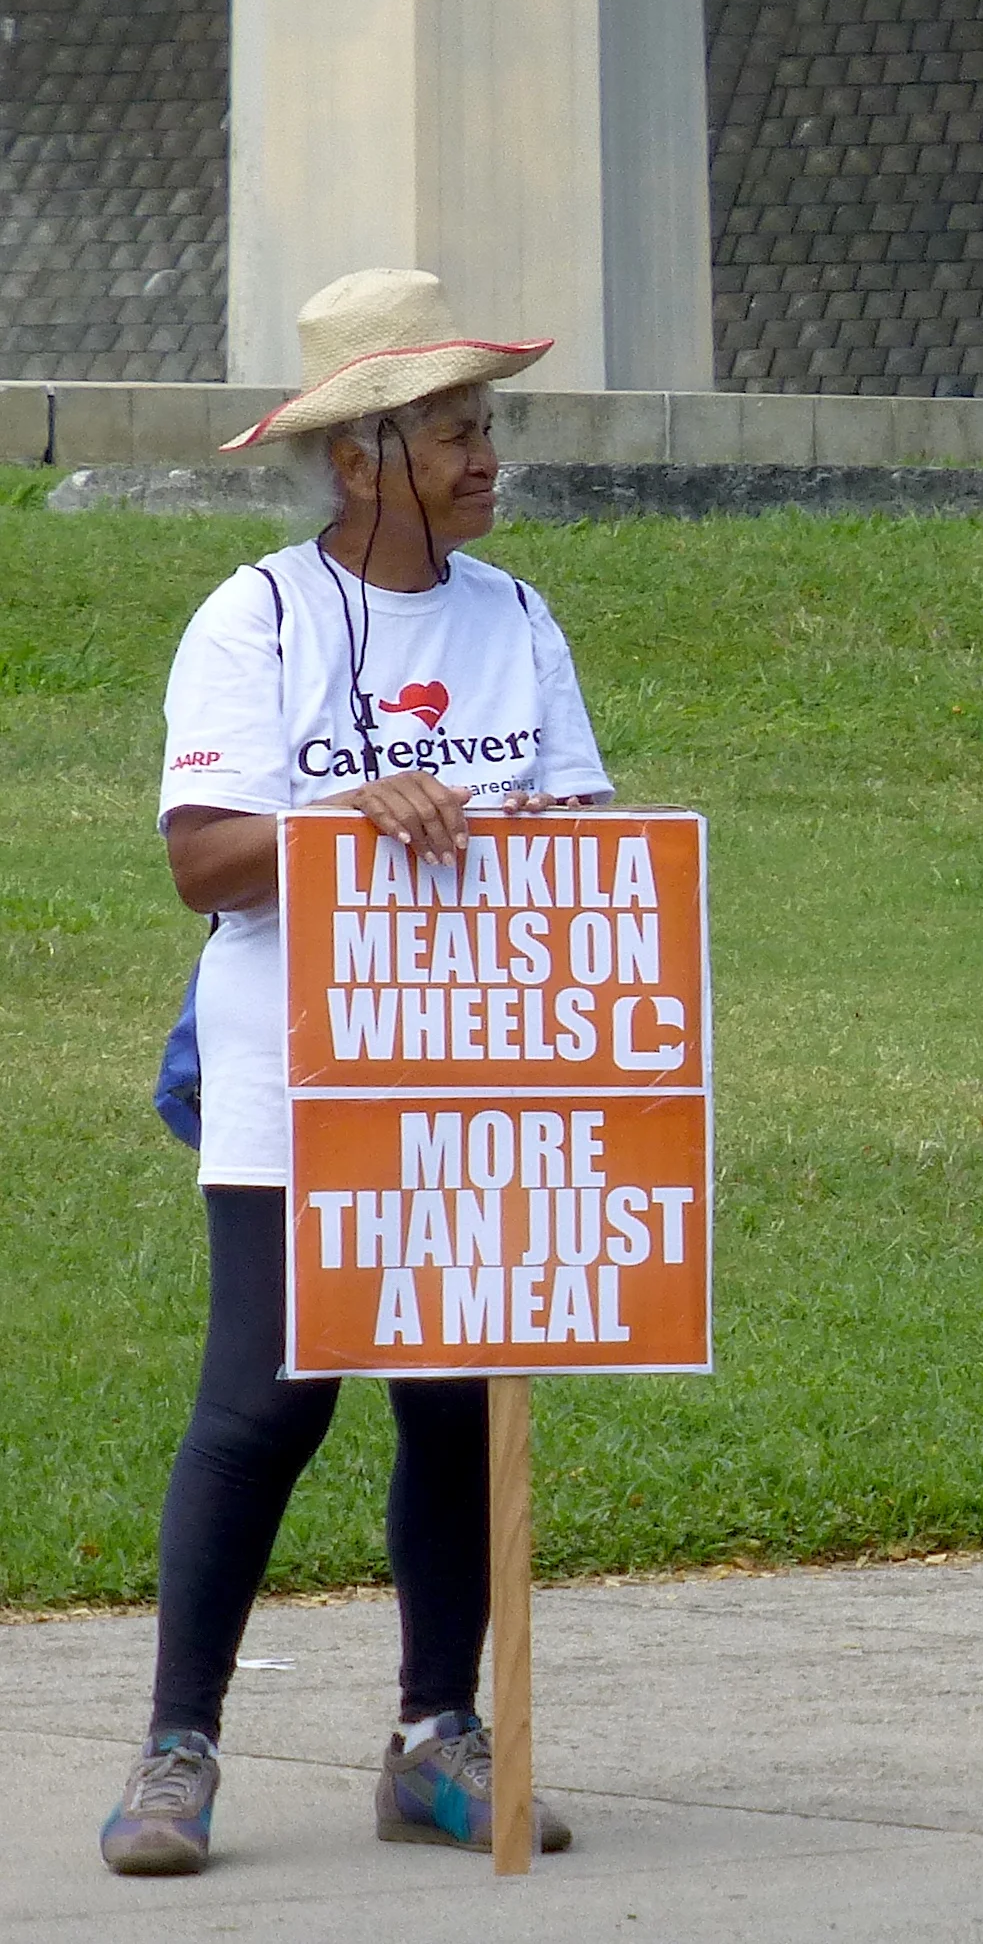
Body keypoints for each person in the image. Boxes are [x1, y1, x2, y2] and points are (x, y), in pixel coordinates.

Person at [102, 269, 610, 1875]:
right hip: (295, 1077)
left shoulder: (518, 618)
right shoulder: (251, 617)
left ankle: (436, 1738)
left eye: (484, 429)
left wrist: (545, 836)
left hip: (480, 1078)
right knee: (265, 1401)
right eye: (456, 433)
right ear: (360, 457)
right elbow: (203, 862)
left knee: (455, 1399)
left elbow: (592, 832)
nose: (485, 459)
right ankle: (178, 1750)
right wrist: (351, 816)